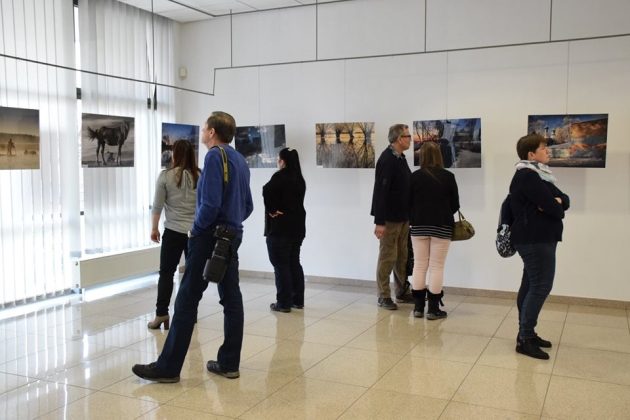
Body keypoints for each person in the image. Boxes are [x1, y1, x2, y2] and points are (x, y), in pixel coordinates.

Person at [132, 111, 253, 382]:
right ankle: (229, 363)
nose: (201, 131)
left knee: (186, 299)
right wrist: (231, 224)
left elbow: (209, 205)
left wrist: (197, 231)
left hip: (208, 237)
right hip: (231, 237)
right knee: (232, 299)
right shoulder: (240, 160)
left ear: (212, 132)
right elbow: (248, 206)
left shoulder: (213, 156)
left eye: (204, 127)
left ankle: (168, 367)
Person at [509, 134, 570, 360]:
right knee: (540, 286)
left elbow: (563, 199)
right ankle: (525, 338)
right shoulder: (528, 176)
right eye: (544, 149)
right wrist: (556, 205)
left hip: (537, 238)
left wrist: (559, 202)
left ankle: (527, 334)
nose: (548, 151)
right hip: (535, 239)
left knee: (531, 285)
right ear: (531, 154)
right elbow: (554, 208)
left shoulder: (540, 176)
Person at [147, 140, 200, 330]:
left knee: (166, 273)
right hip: (195, 233)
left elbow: (157, 206)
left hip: (173, 231)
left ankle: (161, 314)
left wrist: (154, 228)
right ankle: (189, 313)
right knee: (192, 275)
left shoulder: (165, 177)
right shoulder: (200, 176)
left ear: (174, 155)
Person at [409, 141, 459, 320]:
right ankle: (433, 309)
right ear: (440, 156)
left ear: (421, 156)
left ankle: (417, 308)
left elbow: (408, 203)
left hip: (418, 225)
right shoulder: (448, 176)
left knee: (420, 265)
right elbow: (455, 205)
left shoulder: (414, 177)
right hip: (442, 225)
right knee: (437, 266)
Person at [370, 124, 413, 310]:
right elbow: (380, 192)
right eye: (407, 136)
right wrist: (379, 221)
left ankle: (401, 291)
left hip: (403, 217)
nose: (410, 138)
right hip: (389, 218)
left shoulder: (400, 158)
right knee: (388, 256)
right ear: (397, 139)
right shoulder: (387, 159)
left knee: (402, 256)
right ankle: (383, 295)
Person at [263, 148, 306, 313]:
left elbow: (266, 190)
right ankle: (297, 300)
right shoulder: (299, 179)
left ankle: (284, 303)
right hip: (297, 228)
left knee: (281, 265)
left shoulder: (279, 177)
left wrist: (272, 210)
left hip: (281, 229)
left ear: (282, 161)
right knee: (294, 262)